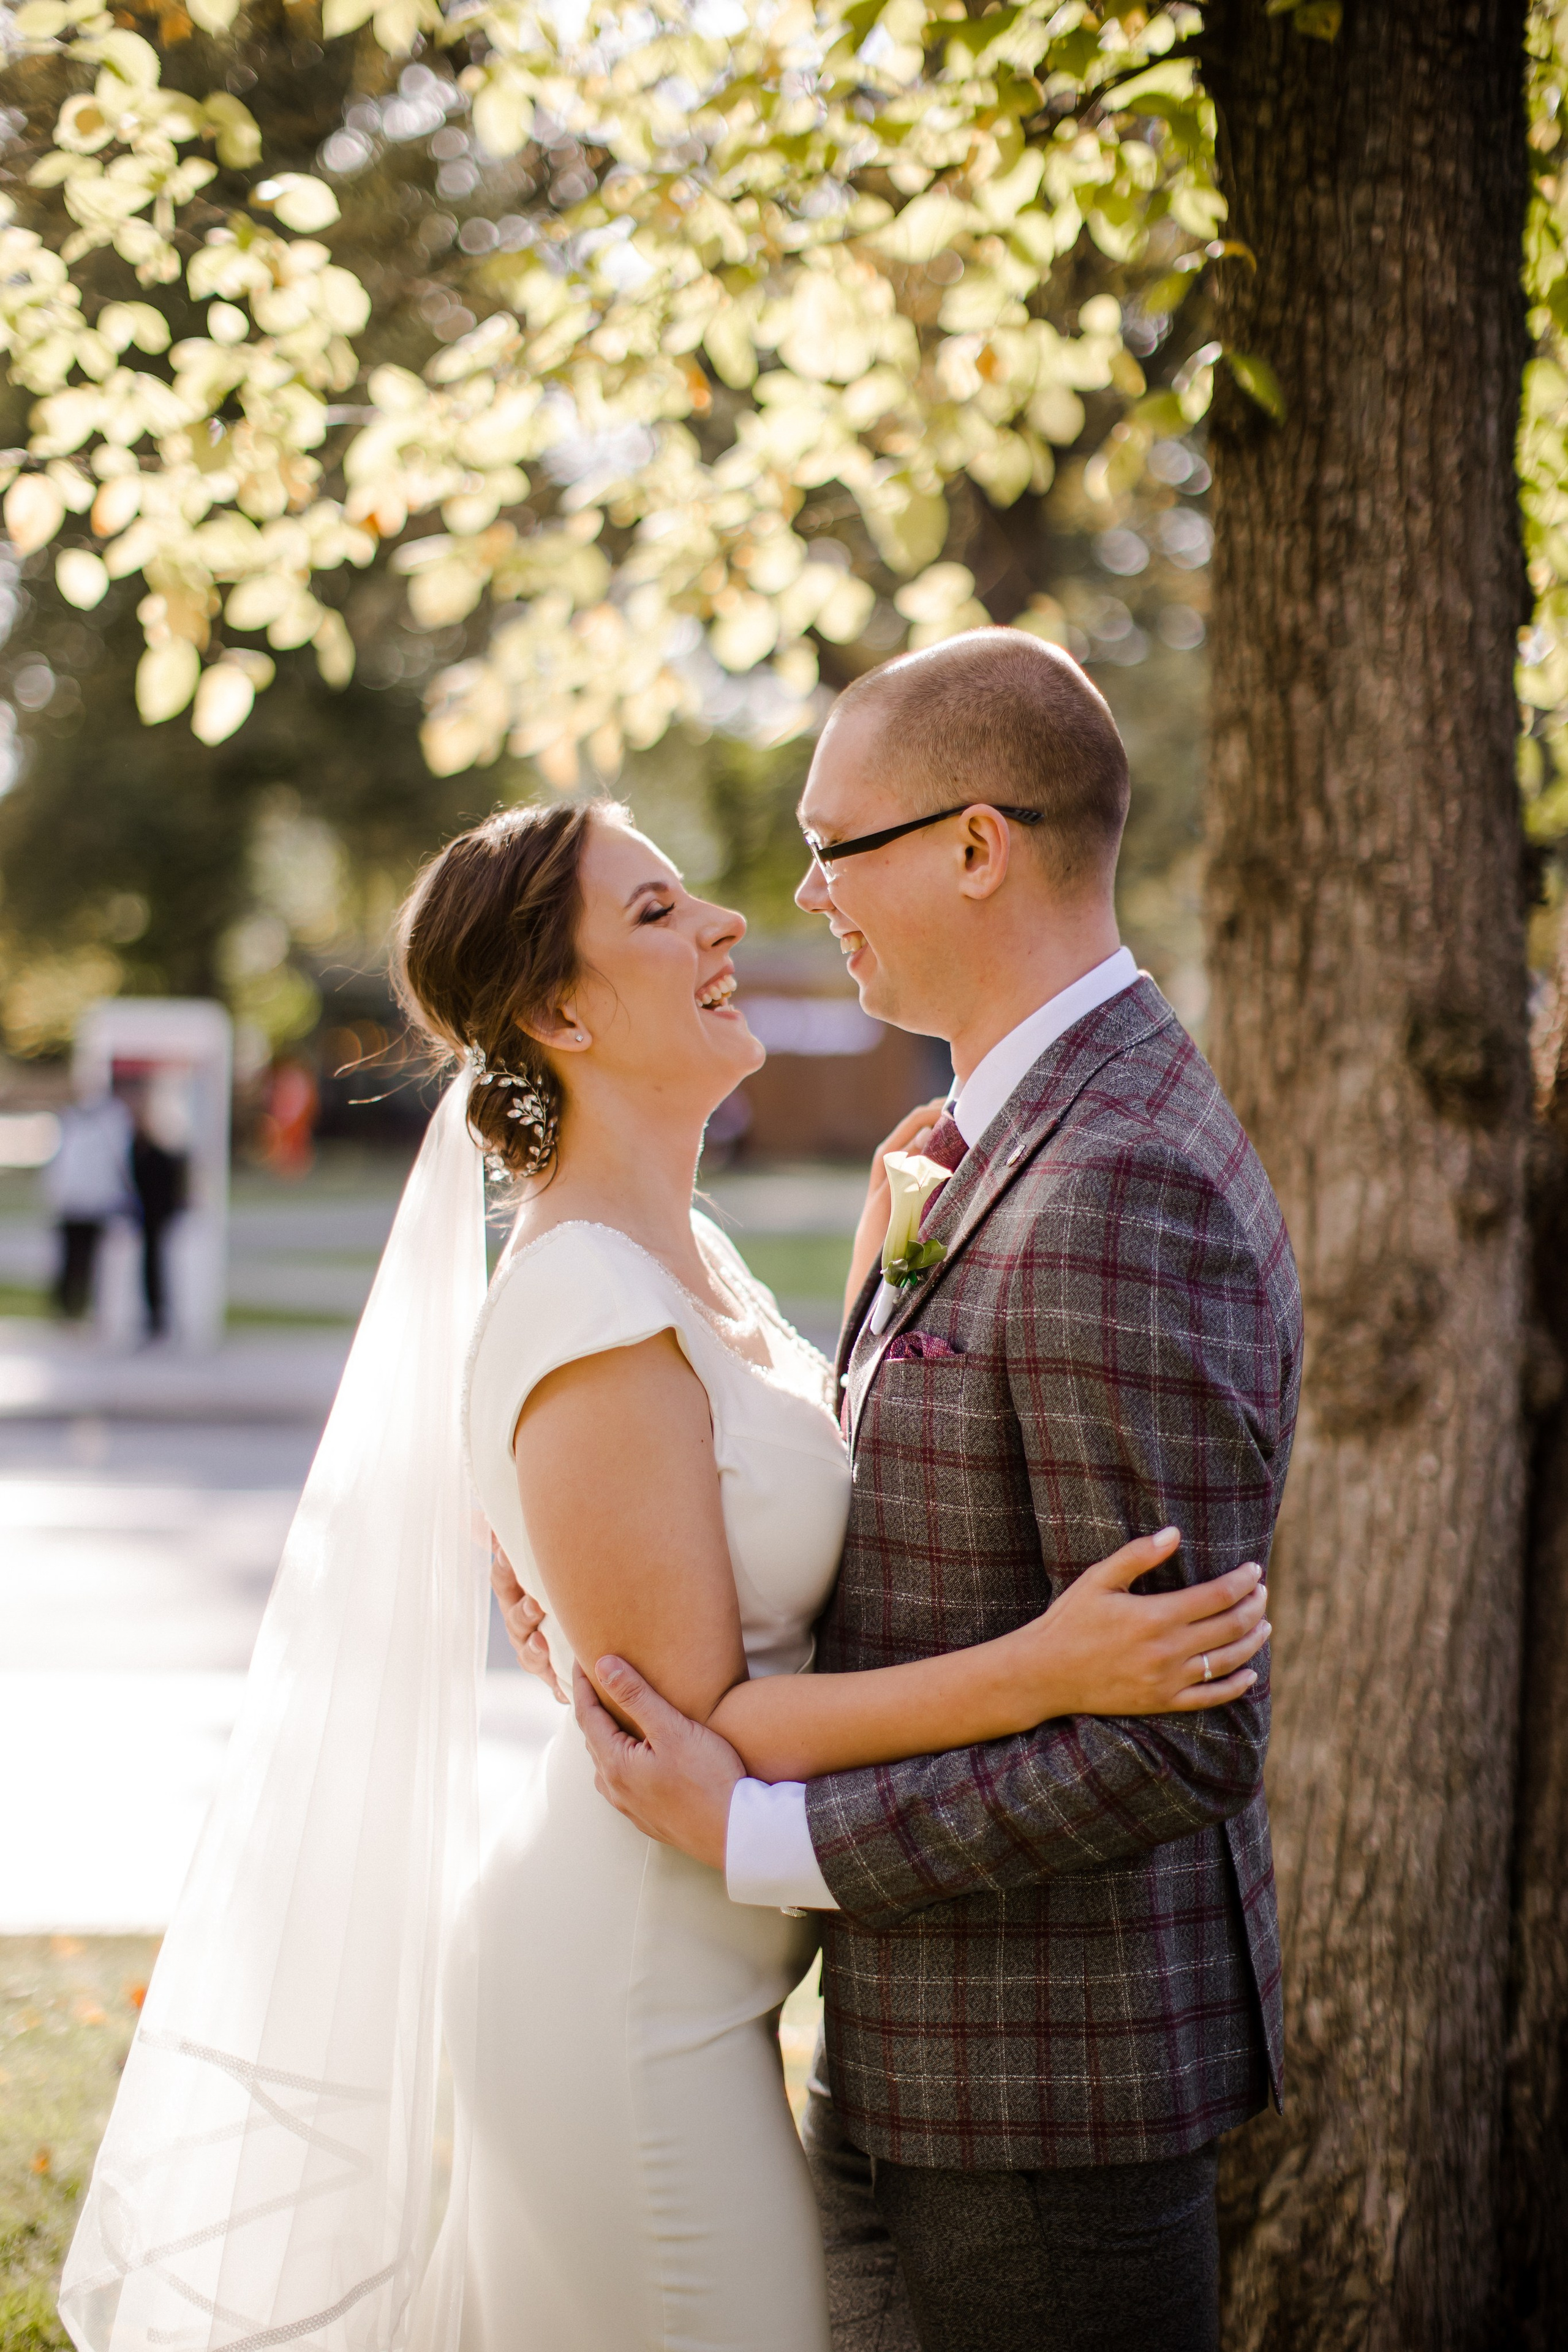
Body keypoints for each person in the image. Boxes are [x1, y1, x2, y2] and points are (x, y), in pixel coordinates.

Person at [59, 650, 1282, 2352]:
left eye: (826, 846)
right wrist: (1041, 1671)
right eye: (662, 910)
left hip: (821, 2011)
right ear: (559, 1015)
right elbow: (697, 1705)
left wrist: (875, 1291)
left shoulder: (730, 1248)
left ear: (978, 845)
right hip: (626, 1996)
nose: (743, 916)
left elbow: (823, 1519)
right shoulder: (584, 1302)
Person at [513, 630, 1303, 2352]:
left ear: (972, 844)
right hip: (909, 2060)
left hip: (1047, 2101)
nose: (801, 897)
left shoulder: (1119, 1180)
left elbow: (1180, 1732)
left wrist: (758, 1836)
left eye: (836, 845)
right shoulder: (978, 1143)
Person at [43, 1083, 132, 1320]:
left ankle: (85, 1308)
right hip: (71, 1203)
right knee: (69, 1259)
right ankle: (66, 1309)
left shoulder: (111, 1123)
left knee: (91, 1261)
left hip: (95, 1204)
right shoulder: (70, 1122)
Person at [128, 1091, 188, 1337]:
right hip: (147, 1217)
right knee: (150, 1267)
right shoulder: (138, 1152)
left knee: (156, 1267)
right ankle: (153, 1316)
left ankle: (159, 1316)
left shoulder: (160, 1156)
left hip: (156, 1218)